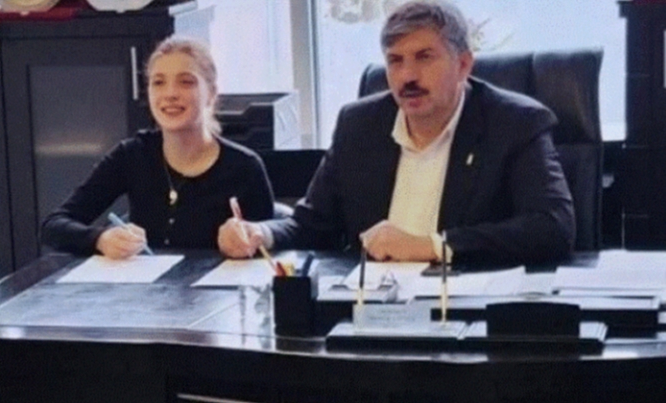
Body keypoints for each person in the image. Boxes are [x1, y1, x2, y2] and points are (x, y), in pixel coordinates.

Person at [220, 1, 575, 265]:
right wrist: (261, 233)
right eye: (395, 60)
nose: (408, 76)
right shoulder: (358, 125)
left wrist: (433, 246)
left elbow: (553, 228)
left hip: (468, 311)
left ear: (464, 64)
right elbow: (311, 224)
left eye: (424, 57)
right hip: (371, 310)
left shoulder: (514, 123)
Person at [41, 37, 274, 259]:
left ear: (211, 94)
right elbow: (53, 226)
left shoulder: (245, 167)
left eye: (186, 82)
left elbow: (275, 244)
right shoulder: (132, 155)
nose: (170, 94)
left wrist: (252, 238)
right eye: (158, 82)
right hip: (144, 286)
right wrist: (99, 239)